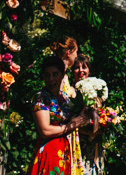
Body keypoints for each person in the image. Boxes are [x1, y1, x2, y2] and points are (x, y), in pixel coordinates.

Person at [28, 56, 92, 175]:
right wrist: (71, 125)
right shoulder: (41, 98)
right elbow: (45, 130)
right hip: (49, 152)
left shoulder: (65, 98)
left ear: (62, 75)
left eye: (55, 74)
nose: (51, 79)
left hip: (65, 152)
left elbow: (76, 122)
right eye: (47, 75)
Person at [53, 36, 85, 175]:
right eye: (75, 52)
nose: (76, 56)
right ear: (68, 52)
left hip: (70, 129)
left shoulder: (65, 76)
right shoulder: (58, 75)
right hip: (63, 130)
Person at [72, 53, 105, 175]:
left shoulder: (97, 94)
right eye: (77, 67)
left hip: (95, 149)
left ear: (89, 71)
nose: (81, 71)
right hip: (76, 147)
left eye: (84, 67)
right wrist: (87, 132)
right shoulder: (70, 93)